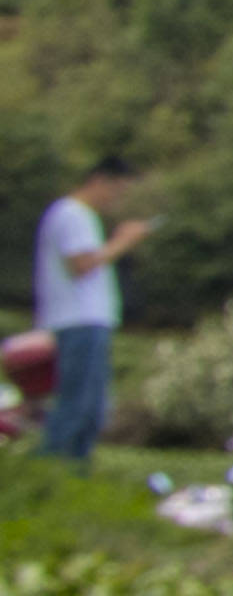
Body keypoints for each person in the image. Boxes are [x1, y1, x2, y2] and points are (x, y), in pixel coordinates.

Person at [30, 161, 150, 463]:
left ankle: (74, 468)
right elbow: (81, 265)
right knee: (79, 404)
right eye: (117, 191)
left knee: (92, 406)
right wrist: (124, 242)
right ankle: (55, 466)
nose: (117, 200)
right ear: (99, 181)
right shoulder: (72, 214)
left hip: (85, 321)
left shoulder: (77, 215)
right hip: (79, 320)